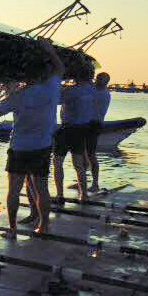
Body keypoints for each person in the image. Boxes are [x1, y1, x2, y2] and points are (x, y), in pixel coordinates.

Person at [0, 39, 64, 238]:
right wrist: (49, 50)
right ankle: (44, 226)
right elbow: (60, 68)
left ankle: (12, 229)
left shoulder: (18, 97)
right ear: (43, 74)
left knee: (13, 190)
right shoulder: (51, 88)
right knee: (42, 188)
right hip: (42, 146)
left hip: (19, 147)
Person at [53, 64, 95, 203]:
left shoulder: (72, 91)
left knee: (57, 162)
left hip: (68, 128)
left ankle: (60, 195)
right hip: (82, 129)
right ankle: (84, 194)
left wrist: (59, 84)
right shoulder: (92, 90)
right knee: (78, 163)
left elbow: (56, 100)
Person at [89, 71, 111, 191]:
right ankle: (82, 180)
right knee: (82, 154)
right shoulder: (93, 89)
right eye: (97, 78)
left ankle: (95, 183)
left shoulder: (103, 94)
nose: (96, 80)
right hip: (86, 123)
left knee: (91, 154)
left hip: (94, 124)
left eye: (100, 79)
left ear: (106, 82)